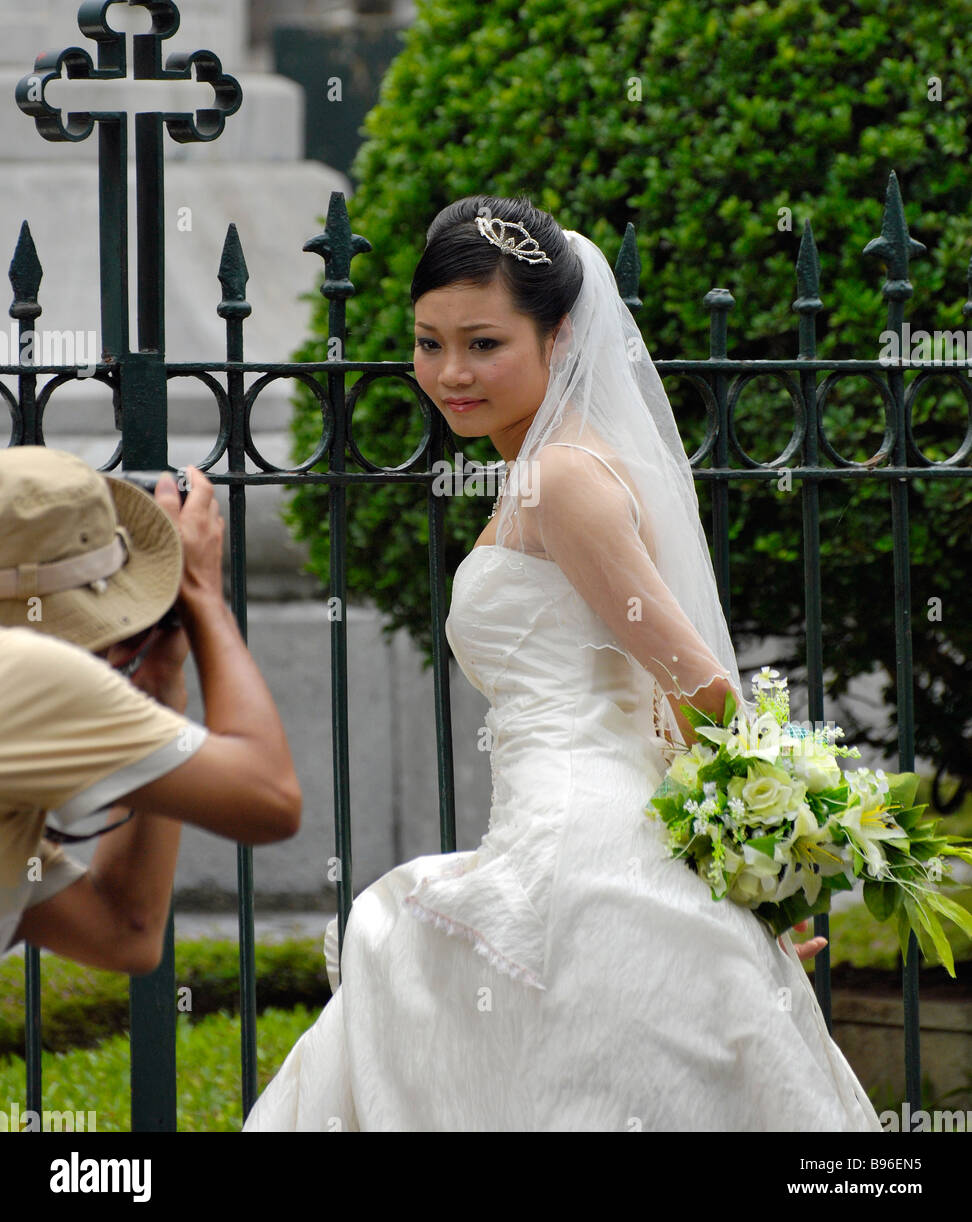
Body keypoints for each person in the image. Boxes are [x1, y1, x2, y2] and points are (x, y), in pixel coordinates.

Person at [243, 195, 882, 1132]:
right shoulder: (547, 466)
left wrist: (762, 870)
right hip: (586, 840)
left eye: (484, 344)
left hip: (585, 856)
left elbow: (700, 682)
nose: (450, 373)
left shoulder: (561, 478)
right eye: (429, 343)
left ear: (562, 335)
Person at [0, 449, 301, 973]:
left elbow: (125, 934)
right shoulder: (22, 669)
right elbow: (270, 800)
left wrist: (160, 686)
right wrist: (205, 597)